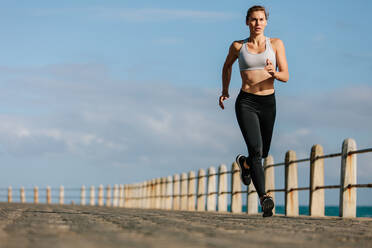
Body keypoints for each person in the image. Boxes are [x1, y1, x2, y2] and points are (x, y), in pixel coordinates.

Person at [219, 5, 289, 217]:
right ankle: (264, 198)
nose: (257, 23)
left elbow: (285, 75)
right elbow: (226, 66)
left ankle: (245, 163)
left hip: (268, 102)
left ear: (266, 22)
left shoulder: (275, 44)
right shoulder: (238, 46)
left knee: (263, 152)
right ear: (247, 22)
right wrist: (224, 90)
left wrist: (273, 73)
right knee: (257, 150)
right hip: (246, 102)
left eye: (261, 19)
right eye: (253, 20)